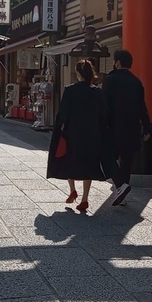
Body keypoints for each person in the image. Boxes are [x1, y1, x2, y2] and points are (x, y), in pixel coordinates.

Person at [47, 58, 106, 213]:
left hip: (73, 132)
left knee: (69, 160)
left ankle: (72, 190)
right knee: (89, 164)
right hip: (92, 134)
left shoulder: (70, 90)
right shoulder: (97, 92)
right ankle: (85, 199)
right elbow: (103, 114)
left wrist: (59, 128)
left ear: (78, 74)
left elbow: (63, 114)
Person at [101, 49, 152, 206]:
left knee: (105, 156)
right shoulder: (136, 82)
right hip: (132, 128)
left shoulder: (109, 80)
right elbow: (142, 107)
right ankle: (121, 193)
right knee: (126, 162)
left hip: (113, 127)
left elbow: (104, 105)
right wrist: (147, 128)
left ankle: (120, 186)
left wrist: (101, 124)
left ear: (117, 62)